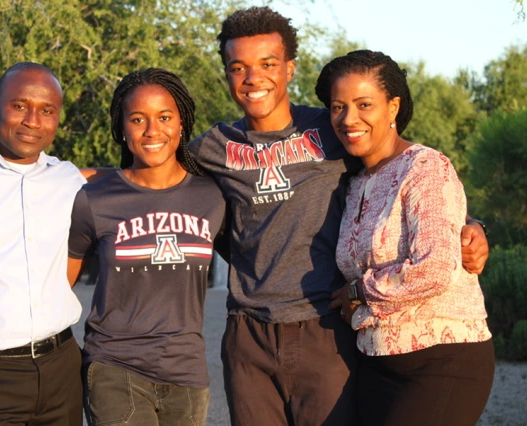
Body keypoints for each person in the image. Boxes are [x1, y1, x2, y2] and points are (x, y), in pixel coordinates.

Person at [188, 6, 490, 426]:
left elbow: (413, 178)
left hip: (326, 327)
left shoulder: (333, 130)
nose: (253, 78)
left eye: (268, 64)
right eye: (238, 67)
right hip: (249, 330)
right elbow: (152, 177)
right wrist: (79, 177)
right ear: (226, 73)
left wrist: (472, 226)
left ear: (289, 68)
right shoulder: (214, 146)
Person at [317, 50, 495, 426]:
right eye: (338, 107)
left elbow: (434, 268)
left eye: (364, 104)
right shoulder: (355, 183)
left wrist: (358, 293)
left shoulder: (426, 167)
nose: (349, 119)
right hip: (374, 364)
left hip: (442, 361)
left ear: (393, 106)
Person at [67, 68, 226, 426]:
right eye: (138, 119)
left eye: (164, 117)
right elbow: (60, 287)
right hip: (114, 368)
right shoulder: (93, 200)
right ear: (122, 129)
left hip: (187, 374)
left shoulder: (213, 196)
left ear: (182, 123)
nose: (152, 130)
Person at [0, 63, 85, 424]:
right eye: (20, 106)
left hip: (62, 369)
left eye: (47, 111)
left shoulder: (67, 178)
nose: (33, 120)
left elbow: (125, 182)